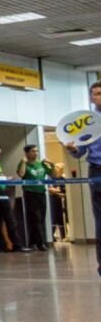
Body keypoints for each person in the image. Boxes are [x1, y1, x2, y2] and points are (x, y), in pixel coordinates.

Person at [64, 80, 101, 278]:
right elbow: (80, 151)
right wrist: (73, 149)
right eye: (95, 94)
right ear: (90, 97)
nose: (98, 97)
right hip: (97, 170)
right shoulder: (86, 122)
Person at [16, 145, 53, 251]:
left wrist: (52, 164)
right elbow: (21, 174)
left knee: (41, 217)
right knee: (35, 218)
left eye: (36, 151)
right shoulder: (24, 164)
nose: (35, 153)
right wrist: (23, 162)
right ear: (27, 153)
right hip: (30, 193)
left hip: (41, 192)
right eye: (33, 151)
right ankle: (41, 243)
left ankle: (34, 241)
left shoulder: (41, 164)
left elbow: (53, 174)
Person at [49, 162, 67, 242]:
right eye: (56, 167)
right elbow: (50, 189)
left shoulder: (63, 179)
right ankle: (51, 236)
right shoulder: (51, 178)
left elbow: (65, 191)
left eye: (58, 168)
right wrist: (57, 191)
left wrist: (60, 192)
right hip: (53, 200)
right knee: (53, 217)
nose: (56, 169)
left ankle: (64, 236)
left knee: (61, 218)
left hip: (61, 200)